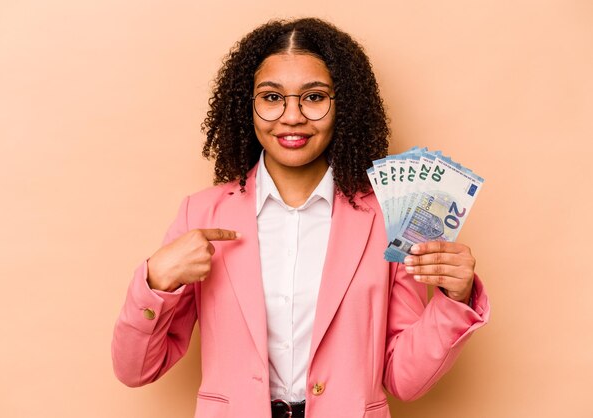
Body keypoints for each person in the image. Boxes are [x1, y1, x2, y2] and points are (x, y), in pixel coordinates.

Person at [111, 17, 490, 418]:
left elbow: (405, 380)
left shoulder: (385, 221)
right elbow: (136, 370)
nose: (292, 117)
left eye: (314, 97)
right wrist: (155, 282)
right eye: (272, 97)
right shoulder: (201, 213)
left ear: (343, 106)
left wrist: (455, 299)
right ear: (248, 106)